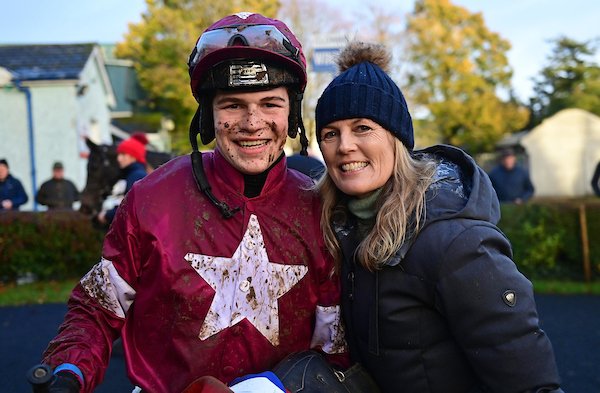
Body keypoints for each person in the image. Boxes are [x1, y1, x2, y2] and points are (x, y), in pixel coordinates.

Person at [35, 13, 346, 393]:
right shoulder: (151, 200)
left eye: (270, 104)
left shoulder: (321, 209)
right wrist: (69, 371)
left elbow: (335, 347)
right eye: (232, 104)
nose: (252, 122)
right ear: (207, 116)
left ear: (292, 114)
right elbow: (97, 308)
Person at [314, 41, 563, 393]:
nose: (344, 146)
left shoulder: (456, 242)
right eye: (330, 133)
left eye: (362, 128)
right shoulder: (341, 229)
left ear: (396, 138)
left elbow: (529, 383)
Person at [96, 133, 149, 227]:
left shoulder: (136, 176)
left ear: (134, 157)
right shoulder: (130, 175)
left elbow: (131, 207)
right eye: (119, 154)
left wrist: (108, 215)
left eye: (123, 154)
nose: (118, 158)